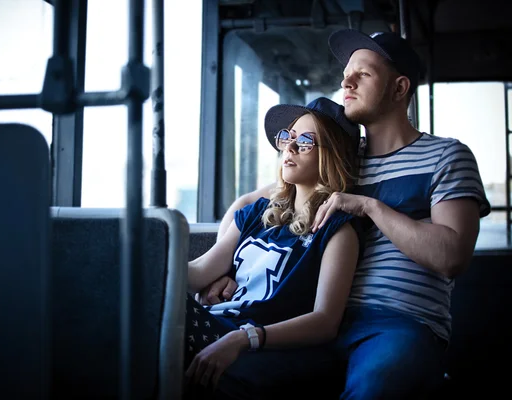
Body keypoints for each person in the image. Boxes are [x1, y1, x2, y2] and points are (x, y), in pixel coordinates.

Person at [201, 29, 492, 399]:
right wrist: (227, 269)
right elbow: (248, 205)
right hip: (317, 315)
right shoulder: (342, 163)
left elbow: (451, 256)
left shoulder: (446, 156)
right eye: (346, 72)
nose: (346, 80)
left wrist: (368, 205)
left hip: (399, 323)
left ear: (400, 88)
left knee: (372, 388)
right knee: (221, 374)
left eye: (364, 73)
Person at [182, 97, 363, 398]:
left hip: (247, 338)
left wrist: (245, 338)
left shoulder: (338, 231)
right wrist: (147, 262)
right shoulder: (258, 213)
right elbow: (197, 272)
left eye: (305, 141)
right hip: (217, 320)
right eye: (287, 138)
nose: (289, 148)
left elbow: (325, 321)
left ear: (332, 156)